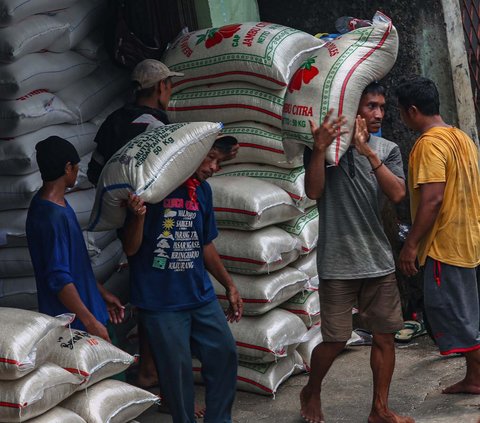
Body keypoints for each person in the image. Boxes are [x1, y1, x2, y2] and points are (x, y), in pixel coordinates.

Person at [300, 82, 414, 423]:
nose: (378, 113)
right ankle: (312, 389)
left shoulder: (387, 148)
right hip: (337, 262)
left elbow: (397, 195)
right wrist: (319, 150)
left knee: (384, 337)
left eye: (381, 106)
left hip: (377, 259)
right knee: (334, 341)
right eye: (370, 106)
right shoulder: (324, 148)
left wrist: (368, 152)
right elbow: (313, 191)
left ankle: (379, 409)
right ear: (352, 107)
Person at [120, 134, 243, 423]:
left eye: (218, 161)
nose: (214, 167)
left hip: (199, 295)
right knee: (176, 374)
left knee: (224, 353)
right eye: (210, 158)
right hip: (160, 302)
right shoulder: (153, 189)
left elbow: (205, 244)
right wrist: (137, 217)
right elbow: (131, 248)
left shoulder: (202, 192)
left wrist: (229, 285)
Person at [396, 76, 480, 395]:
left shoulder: (429, 144)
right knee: (465, 313)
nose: (402, 118)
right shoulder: (460, 137)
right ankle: (473, 378)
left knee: (453, 314)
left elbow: (433, 199)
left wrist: (411, 245)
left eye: (401, 112)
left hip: (445, 245)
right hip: (468, 240)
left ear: (413, 110)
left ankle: (477, 376)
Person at [26, 136, 125, 342]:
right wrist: (90, 322)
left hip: (91, 313)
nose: (78, 171)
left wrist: (101, 294)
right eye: (77, 166)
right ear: (68, 167)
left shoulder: (54, 205)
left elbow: (75, 266)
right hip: (78, 329)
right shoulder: (52, 217)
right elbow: (59, 279)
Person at [87, 58, 183, 186]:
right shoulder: (157, 127)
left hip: (109, 199)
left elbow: (94, 170)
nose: (170, 93)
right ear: (161, 85)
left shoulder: (114, 119)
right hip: (139, 203)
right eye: (169, 86)